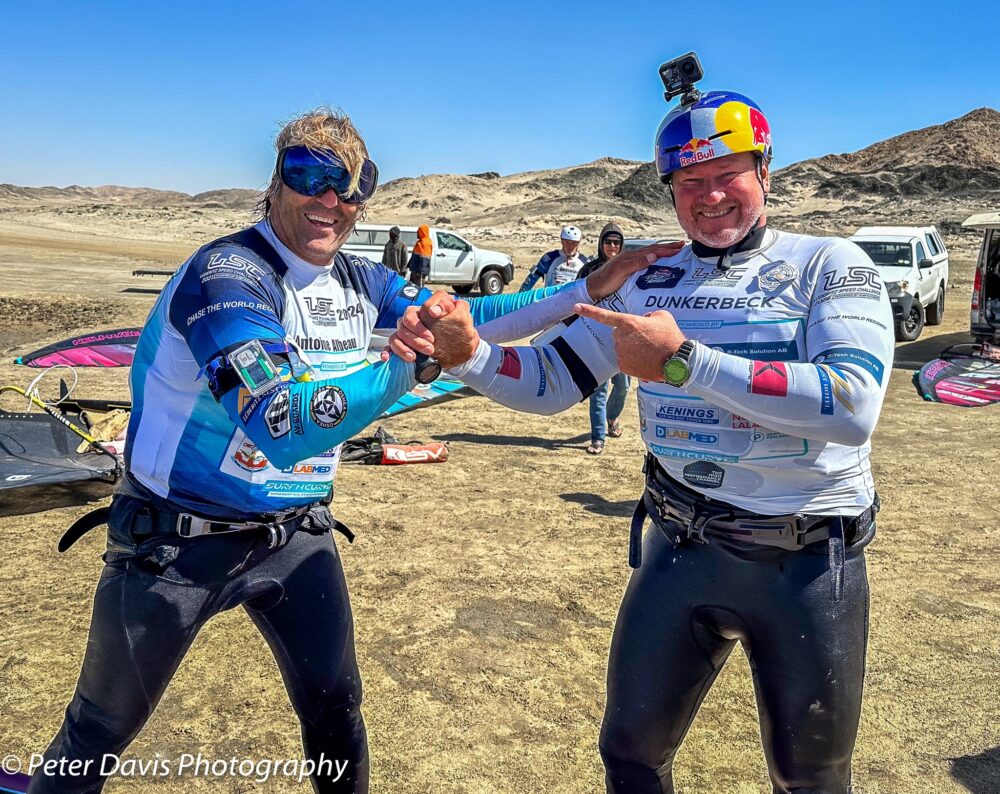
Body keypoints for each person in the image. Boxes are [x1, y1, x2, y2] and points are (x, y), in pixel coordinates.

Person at [29, 107, 669, 794]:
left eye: (353, 185)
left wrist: (583, 292)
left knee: (337, 716)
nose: (330, 199)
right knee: (96, 734)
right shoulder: (229, 275)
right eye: (309, 174)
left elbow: (466, 317)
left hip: (296, 535)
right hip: (176, 540)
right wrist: (412, 366)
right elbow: (279, 424)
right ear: (275, 182)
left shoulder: (360, 281)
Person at [391, 88, 894, 794]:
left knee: (808, 778)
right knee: (629, 753)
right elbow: (551, 379)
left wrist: (685, 361)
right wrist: (470, 354)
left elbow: (852, 403)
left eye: (729, 173)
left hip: (808, 567)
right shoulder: (650, 279)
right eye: (690, 181)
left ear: (766, 172)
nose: (710, 195)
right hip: (682, 551)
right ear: (669, 190)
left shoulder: (831, 265)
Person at [578, 223, 630, 454]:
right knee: (599, 389)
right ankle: (598, 438)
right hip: (593, 337)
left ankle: (611, 418)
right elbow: (575, 299)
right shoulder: (589, 270)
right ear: (601, 244)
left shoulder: (629, 269)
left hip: (621, 337)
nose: (612, 246)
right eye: (608, 242)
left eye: (616, 242)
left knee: (623, 386)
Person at [518, 224, 589, 290]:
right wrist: (519, 297)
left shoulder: (585, 262)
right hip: (551, 300)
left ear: (578, 243)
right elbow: (531, 278)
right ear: (562, 241)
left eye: (573, 243)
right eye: (567, 242)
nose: (570, 246)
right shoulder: (549, 258)